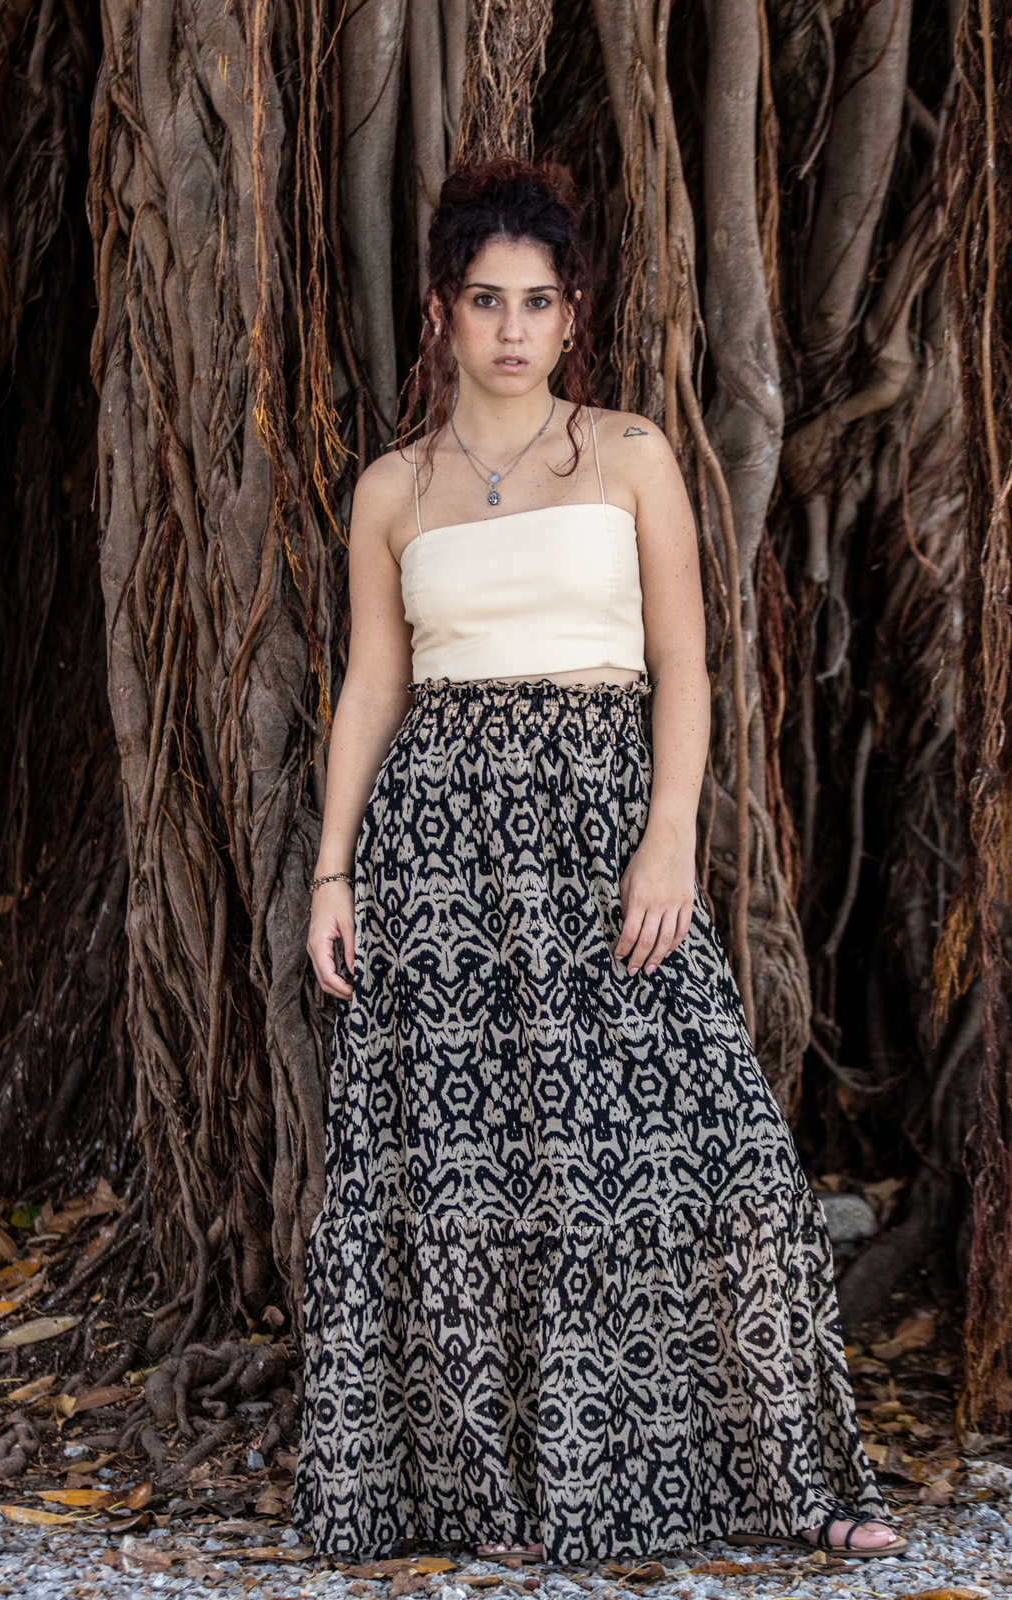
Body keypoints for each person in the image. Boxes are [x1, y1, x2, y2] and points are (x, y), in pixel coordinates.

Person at [292, 156, 906, 1566]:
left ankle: (803, 1483)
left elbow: (687, 661)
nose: (512, 329)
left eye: (538, 302)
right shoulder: (391, 489)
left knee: (718, 1147)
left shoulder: (629, 454)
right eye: (486, 300)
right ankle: (490, 1494)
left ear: (574, 315)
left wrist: (669, 833)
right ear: (441, 312)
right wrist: (334, 872)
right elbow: (374, 686)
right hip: (441, 855)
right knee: (467, 1170)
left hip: (603, 822)